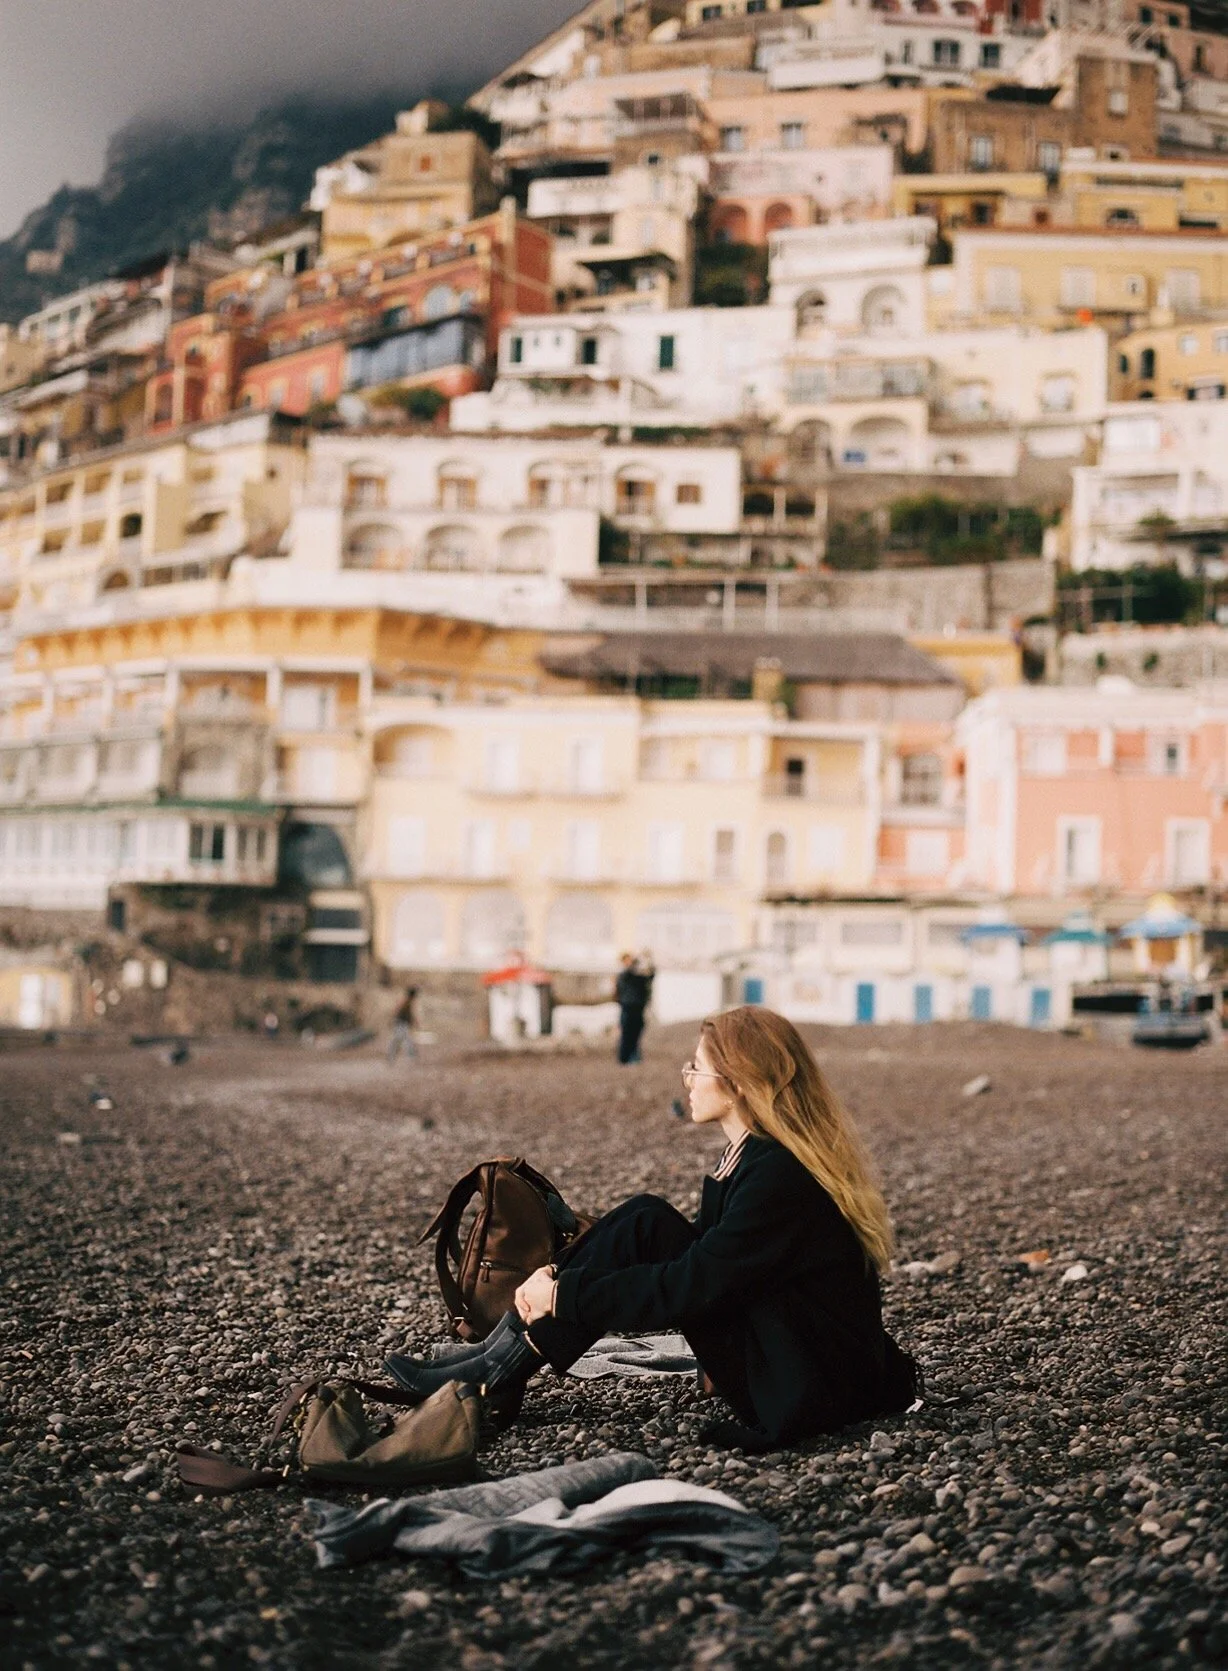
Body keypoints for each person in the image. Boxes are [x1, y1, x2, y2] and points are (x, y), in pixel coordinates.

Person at [386, 1007, 919, 1451]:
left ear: (738, 1084)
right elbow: (712, 1266)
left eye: (696, 1068)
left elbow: (693, 1285)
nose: (686, 1080)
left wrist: (565, 1293)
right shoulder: (758, 1158)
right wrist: (561, 1279)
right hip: (805, 1360)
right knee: (647, 1220)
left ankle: (501, 1366)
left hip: (805, 1387)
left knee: (650, 1233)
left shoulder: (778, 1177)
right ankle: (500, 1357)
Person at [614, 954, 651, 1065]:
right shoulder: (626, 976)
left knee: (633, 1033)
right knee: (628, 1033)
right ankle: (626, 1057)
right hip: (629, 1008)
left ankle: (630, 1056)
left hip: (634, 1008)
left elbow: (650, 977)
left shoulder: (637, 977)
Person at [387, 986, 419, 1064]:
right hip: (400, 1023)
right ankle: (392, 1056)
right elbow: (397, 1010)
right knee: (399, 1040)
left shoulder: (408, 1001)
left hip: (402, 1024)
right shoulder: (406, 1001)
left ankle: (410, 1055)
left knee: (403, 1039)